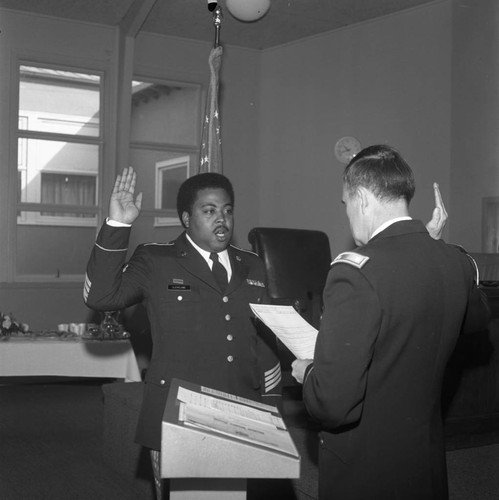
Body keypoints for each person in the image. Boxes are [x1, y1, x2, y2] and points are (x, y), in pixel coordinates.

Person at [292, 145, 490, 500]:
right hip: (424, 461)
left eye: (346, 203)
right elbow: (477, 318)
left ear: (363, 198)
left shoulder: (353, 273)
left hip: (367, 471)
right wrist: (434, 247)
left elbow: (333, 405)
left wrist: (307, 372)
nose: (348, 213)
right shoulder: (453, 261)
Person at [83, 167, 282, 497]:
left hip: (241, 410)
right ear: (187, 218)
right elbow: (100, 296)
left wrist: (273, 408)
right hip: (180, 413)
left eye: (227, 210)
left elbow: (264, 342)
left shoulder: (253, 266)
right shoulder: (157, 259)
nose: (222, 219)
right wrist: (118, 224)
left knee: (233, 496)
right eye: (209, 211)